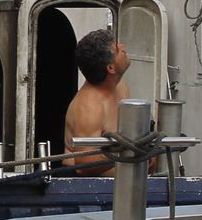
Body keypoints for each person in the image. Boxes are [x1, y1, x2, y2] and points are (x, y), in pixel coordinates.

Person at [63, 28, 151, 175]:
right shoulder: (89, 107)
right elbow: (84, 164)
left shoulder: (120, 86)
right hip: (84, 185)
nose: (123, 47)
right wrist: (129, 151)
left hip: (124, 181)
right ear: (111, 68)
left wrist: (148, 152)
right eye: (117, 49)